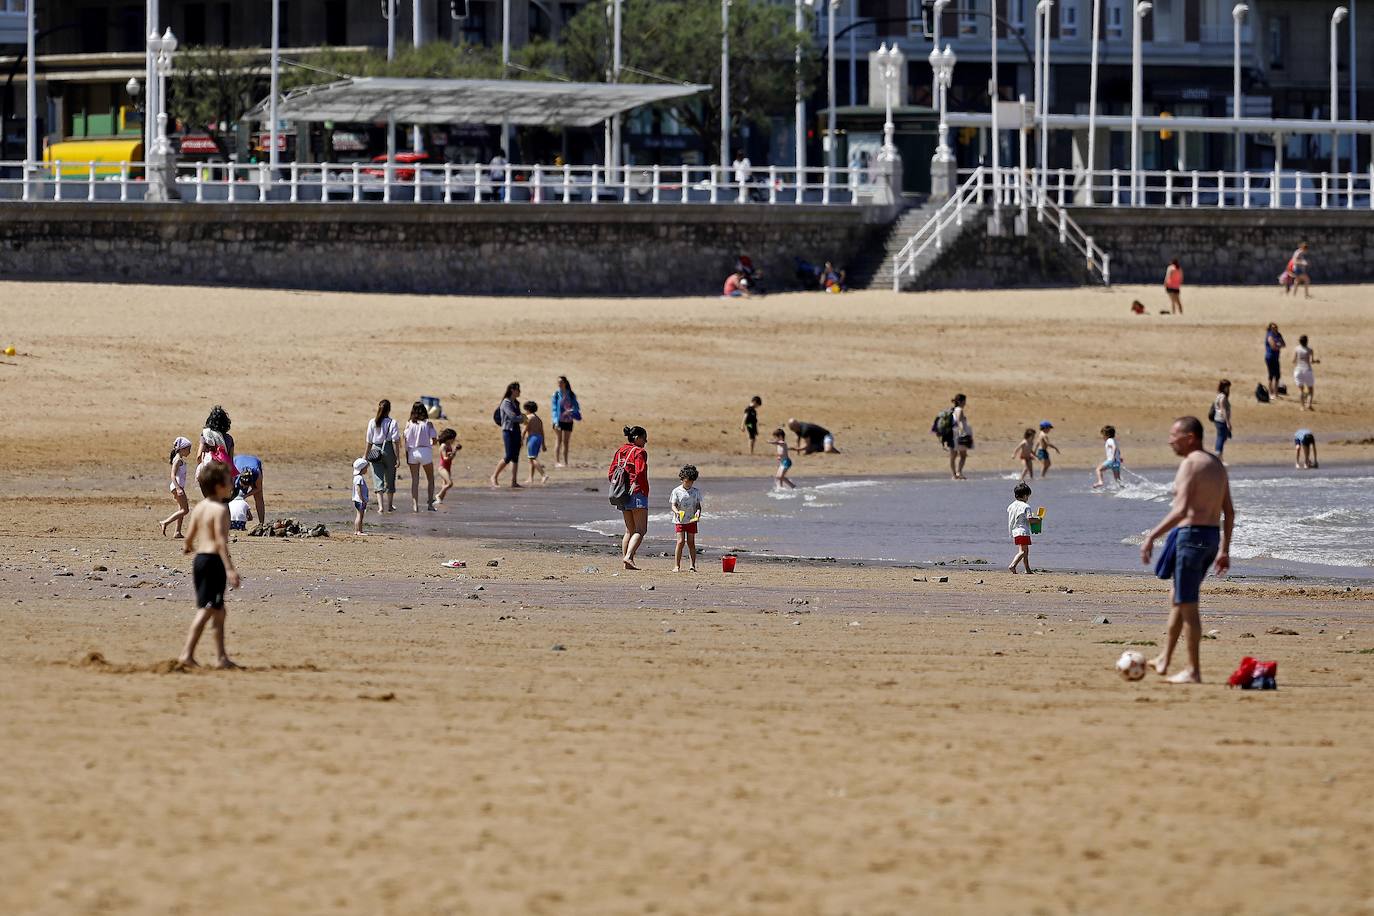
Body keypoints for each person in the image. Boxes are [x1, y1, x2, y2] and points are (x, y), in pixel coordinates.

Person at [1140, 416, 1234, 684]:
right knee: (1178, 597)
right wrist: (1224, 550)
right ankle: (1164, 659)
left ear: (1190, 437)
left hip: (1191, 537)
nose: (1170, 440)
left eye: (1174, 435)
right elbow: (1229, 511)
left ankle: (1193, 670)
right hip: (1210, 538)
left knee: (1188, 604)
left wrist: (1151, 537)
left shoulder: (1190, 464)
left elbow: (1180, 510)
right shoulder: (1216, 464)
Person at [179, 461, 241, 669]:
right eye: (228, 481)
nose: (232, 483)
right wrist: (230, 569)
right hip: (213, 561)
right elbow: (221, 542)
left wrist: (188, 546)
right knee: (207, 609)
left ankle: (221, 657)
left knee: (219, 610)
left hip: (200, 560)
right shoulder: (221, 510)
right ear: (218, 486)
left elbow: (189, 536)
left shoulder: (200, 507)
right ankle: (187, 654)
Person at [609, 426, 650, 570]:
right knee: (640, 530)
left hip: (622, 493)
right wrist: (639, 486)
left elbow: (611, 473)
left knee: (629, 530)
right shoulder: (640, 452)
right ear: (637, 438)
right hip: (637, 491)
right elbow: (640, 471)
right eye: (644, 438)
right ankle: (628, 557)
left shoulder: (620, 451)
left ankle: (627, 562)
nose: (646, 441)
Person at [365, 399, 401, 514]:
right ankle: (389, 505)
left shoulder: (372, 422)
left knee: (378, 478)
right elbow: (395, 441)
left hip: (375, 451)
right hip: (388, 450)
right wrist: (398, 457)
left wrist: (365, 455)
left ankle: (380, 507)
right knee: (390, 478)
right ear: (389, 409)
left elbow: (369, 441)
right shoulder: (392, 422)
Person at [404, 400, 437, 511]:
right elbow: (434, 439)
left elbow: (406, 440)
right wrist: (431, 444)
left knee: (415, 479)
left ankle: (415, 505)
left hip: (413, 452)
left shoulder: (409, 423)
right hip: (425, 451)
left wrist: (407, 455)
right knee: (430, 478)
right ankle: (430, 504)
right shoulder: (428, 424)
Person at [491, 382, 525, 488]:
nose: (519, 391)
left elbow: (517, 417)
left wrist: (520, 418)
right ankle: (494, 476)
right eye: (518, 390)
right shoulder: (506, 402)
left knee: (515, 456)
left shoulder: (516, 403)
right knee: (509, 455)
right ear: (512, 390)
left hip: (516, 430)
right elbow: (513, 417)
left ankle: (514, 481)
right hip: (508, 431)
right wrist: (523, 418)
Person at [670, 465, 704, 572]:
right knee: (680, 542)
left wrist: (698, 513)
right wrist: (677, 512)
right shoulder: (676, 491)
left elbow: (698, 506)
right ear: (682, 479)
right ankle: (677, 565)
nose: (689, 483)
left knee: (691, 542)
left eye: (691, 482)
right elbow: (673, 505)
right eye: (687, 481)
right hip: (679, 520)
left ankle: (692, 565)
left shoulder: (695, 491)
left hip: (691, 520)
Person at [160, 436, 193, 537]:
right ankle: (165, 522)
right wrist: (178, 488)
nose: (189, 452)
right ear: (182, 449)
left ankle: (177, 532)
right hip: (177, 487)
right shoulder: (178, 460)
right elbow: (172, 475)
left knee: (181, 510)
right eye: (188, 449)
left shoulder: (179, 459)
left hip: (178, 486)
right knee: (185, 510)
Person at [550, 376, 581, 468]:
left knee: (566, 442)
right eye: (558, 382)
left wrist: (571, 411)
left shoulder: (571, 394)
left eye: (561, 382)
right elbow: (554, 409)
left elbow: (576, 407)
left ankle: (566, 462)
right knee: (558, 440)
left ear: (565, 383)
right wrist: (555, 421)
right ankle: (557, 461)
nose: (559, 384)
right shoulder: (556, 394)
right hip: (558, 421)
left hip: (568, 420)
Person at [1006, 482, 1035, 574]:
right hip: (1023, 531)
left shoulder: (1011, 505)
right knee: (1023, 552)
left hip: (1015, 531)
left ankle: (1027, 569)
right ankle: (1013, 565)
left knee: (1024, 551)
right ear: (1025, 495)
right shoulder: (1026, 506)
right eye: (1028, 496)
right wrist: (1038, 519)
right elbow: (1030, 519)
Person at [233, 454, 265, 522]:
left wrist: (246, 495)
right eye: (243, 485)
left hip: (254, 462)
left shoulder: (257, 473)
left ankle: (261, 523)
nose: (244, 487)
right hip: (237, 460)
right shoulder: (235, 473)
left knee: (259, 497)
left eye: (246, 486)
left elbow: (258, 488)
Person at [523, 401, 549, 484]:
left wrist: (521, 439)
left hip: (532, 438)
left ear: (527, 409)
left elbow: (524, 430)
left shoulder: (528, 417)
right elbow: (542, 431)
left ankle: (543, 474)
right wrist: (543, 444)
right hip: (539, 438)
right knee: (533, 458)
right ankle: (530, 478)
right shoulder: (538, 419)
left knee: (532, 459)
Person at [948, 394, 971, 480]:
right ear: (961, 401)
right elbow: (959, 421)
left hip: (951, 434)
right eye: (964, 401)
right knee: (963, 455)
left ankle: (954, 475)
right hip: (958, 434)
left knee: (953, 455)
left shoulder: (953, 410)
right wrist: (963, 432)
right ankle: (959, 473)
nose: (965, 403)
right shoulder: (959, 410)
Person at [435, 428, 460, 505]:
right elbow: (445, 458)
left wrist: (455, 451)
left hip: (448, 467)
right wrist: (449, 455)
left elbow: (451, 458)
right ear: (449, 438)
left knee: (444, 485)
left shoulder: (449, 445)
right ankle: (438, 495)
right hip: (442, 468)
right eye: (453, 439)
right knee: (450, 484)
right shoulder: (443, 446)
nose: (454, 440)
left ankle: (439, 501)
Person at [1293, 334, 1317, 411]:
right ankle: (1309, 404)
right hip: (1307, 370)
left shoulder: (1296, 349)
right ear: (1307, 341)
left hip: (1298, 370)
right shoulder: (1310, 350)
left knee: (1301, 390)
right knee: (1310, 389)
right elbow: (1311, 361)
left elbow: (1293, 360)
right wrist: (1316, 361)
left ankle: (1302, 406)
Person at [1210, 380, 1233, 459]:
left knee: (1222, 437)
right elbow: (1223, 410)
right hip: (1221, 420)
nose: (1228, 389)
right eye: (1227, 387)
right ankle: (1218, 455)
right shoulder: (1222, 397)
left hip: (1218, 419)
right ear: (1224, 387)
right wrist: (1228, 422)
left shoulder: (1219, 395)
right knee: (1221, 438)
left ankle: (1219, 455)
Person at [1264, 323, 1286, 398]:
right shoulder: (1269, 335)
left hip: (1276, 358)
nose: (1275, 328)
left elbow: (1283, 344)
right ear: (1270, 328)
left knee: (1277, 375)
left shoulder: (1278, 335)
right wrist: (1278, 345)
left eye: (1276, 327)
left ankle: (1276, 393)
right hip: (1270, 357)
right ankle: (1270, 393)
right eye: (1273, 327)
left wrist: (1278, 345)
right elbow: (1273, 347)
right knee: (1271, 375)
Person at [351, 457, 369, 534]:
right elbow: (358, 489)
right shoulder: (359, 478)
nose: (366, 470)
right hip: (360, 500)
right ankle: (359, 531)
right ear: (362, 469)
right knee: (360, 516)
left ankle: (356, 530)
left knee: (358, 515)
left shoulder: (356, 477)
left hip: (357, 499)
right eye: (366, 468)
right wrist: (362, 499)